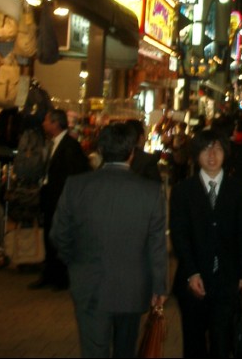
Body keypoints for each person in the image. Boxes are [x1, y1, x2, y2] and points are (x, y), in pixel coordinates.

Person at [50, 122, 168, 358]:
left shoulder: (76, 186)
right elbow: (157, 245)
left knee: (94, 350)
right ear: (132, 153)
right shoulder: (151, 192)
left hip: (89, 282)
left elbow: (59, 234)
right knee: (126, 350)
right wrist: (159, 286)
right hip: (133, 287)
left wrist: (75, 261)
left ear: (100, 150)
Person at [169, 129, 242, 358]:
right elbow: (179, 234)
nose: (212, 155)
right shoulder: (183, 191)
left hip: (227, 279)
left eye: (217, 149)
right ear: (196, 155)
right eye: (205, 149)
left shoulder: (239, 190)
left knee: (222, 341)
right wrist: (192, 272)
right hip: (192, 279)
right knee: (193, 342)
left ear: (226, 153)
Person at [30, 108, 90, 290]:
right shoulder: (55, 144)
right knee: (49, 236)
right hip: (51, 199)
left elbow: (75, 175)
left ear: (56, 123)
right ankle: (49, 274)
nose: (44, 124)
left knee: (59, 238)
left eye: (47, 120)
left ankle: (60, 277)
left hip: (60, 201)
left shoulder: (70, 146)